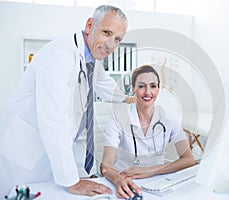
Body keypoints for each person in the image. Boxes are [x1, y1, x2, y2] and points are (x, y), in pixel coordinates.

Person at [0, 5, 133, 197]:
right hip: (23, 150)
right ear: (89, 25)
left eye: (118, 39)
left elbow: (107, 86)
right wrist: (72, 181)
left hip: (48, 152)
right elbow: (54, 120)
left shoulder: (92, 60)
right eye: (107, 32)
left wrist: (132, 99)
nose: (111, 44)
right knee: (17, 194)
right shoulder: (59, 56)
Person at [100, 64, 196, 199]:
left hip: (158, 182)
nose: (147, 92)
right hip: (126, 181)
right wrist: (117, 179)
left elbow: (188, 159)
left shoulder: (170, 116)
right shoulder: (119, 116)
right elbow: (105, 165)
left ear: (159, 89)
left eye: (152, 86)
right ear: (133, 89)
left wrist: (151, 170)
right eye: (141, 86)